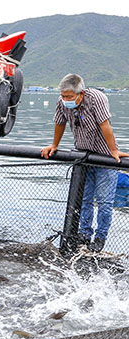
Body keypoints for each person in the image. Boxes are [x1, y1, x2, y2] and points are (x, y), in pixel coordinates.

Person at [41, 74, 129, 252]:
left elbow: (105, 125)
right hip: (83, 156)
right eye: (63, 96)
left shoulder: (96, 98)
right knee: (85, 200)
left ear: (80, 94)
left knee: (104, 202)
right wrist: (54, 145)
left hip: (105, 157)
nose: (65, 100)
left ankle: (100, 237)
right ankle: (84, 234)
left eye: (69, 97)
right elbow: (59, 123)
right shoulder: (62, 102)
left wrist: (113, 151)